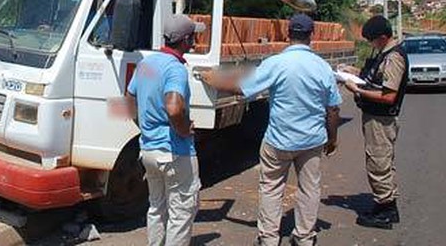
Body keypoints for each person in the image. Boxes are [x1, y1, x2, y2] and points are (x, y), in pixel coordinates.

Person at [200, 14, 341, 246]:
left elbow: (242, 88)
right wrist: (332, 138)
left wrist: (210, 79)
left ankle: (268, 238)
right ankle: (305, 237)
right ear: (312, 35)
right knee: (310, 189)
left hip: (279, 140)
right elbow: (333, 108)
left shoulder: (276, 63)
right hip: (312, 140)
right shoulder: (323, 67)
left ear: (288, 34)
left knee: (271, 189)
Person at [126, 14, 205, 246]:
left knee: (156, 207)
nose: (195, 41)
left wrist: (144, 126)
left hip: (148, 149)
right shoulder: (175, 69)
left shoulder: (146, 64)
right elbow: (173, 108)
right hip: (174, 151)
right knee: (182, 212)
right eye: (194, 37)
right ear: (186, 39)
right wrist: (183, 130)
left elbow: (129, 100)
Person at [339, 15, 408, 229]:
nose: (370, 44)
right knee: (380, 161)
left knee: (379, 162)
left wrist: (357, 90)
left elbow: (388, 96)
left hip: (381, 119)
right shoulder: (383, 54)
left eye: (372, 40)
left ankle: (386, 210)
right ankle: (384, 203)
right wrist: (352, 72)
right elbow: (374, 77)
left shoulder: (394, 57)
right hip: (375, 117)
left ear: (382, 37)